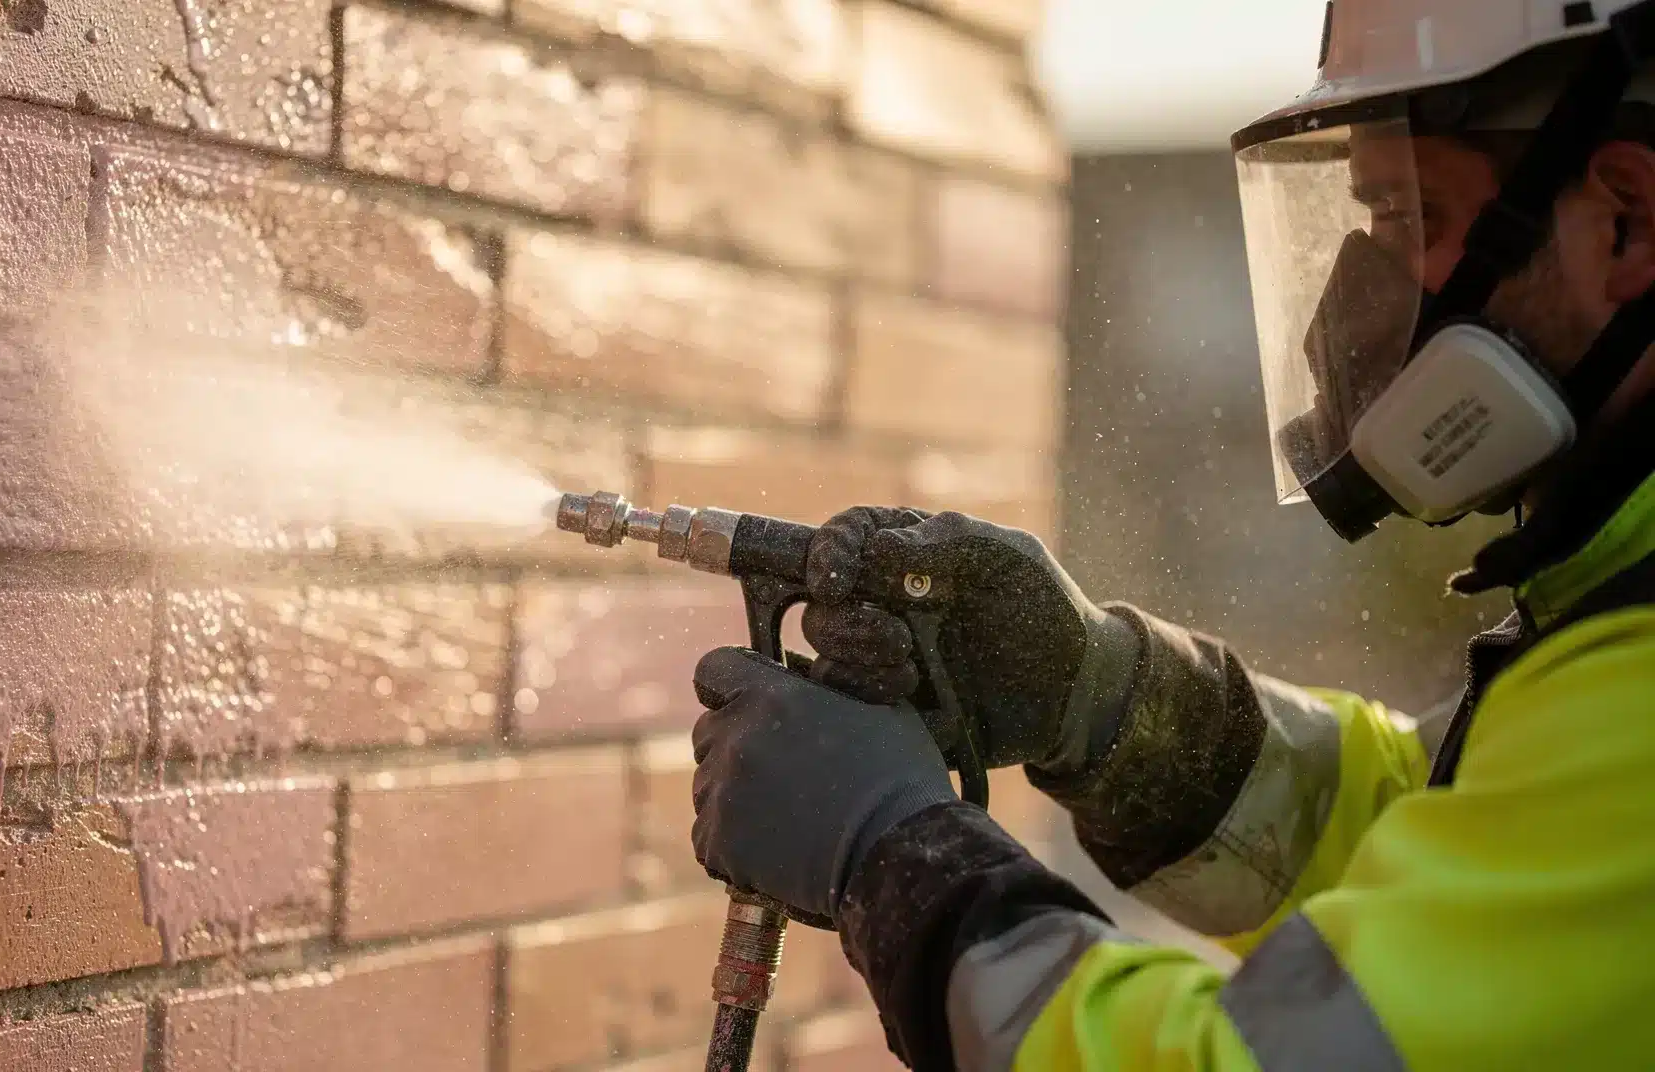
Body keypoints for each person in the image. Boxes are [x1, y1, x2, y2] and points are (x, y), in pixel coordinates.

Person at [687, 4, 1655, 1070]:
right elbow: (1434, 829)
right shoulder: (1609, 616)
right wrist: (1103, 699)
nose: (1359, 294)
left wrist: (895, 857)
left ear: (1628, 222)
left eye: (1409, 218)